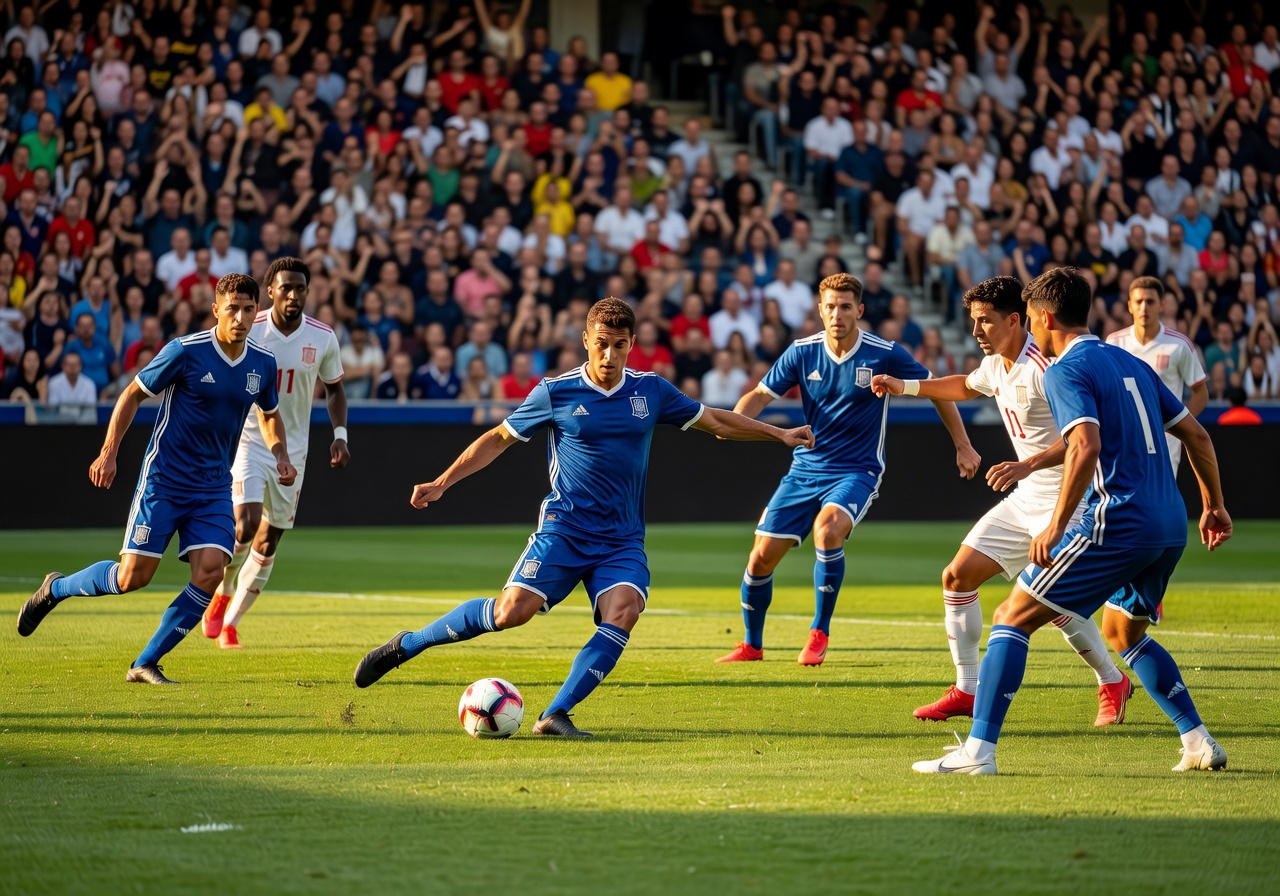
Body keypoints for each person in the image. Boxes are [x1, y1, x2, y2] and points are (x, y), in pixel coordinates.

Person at [353, 298, 813, 737]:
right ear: (585, 339)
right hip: (565, 531)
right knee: (511, 613)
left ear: (631, 343)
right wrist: (442, 482)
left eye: (619, 344)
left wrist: (781, 434)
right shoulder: (556, 391)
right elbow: (497, 438)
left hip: (621, 540)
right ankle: (407, 644)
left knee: (624, 610)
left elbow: (718, 422)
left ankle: (556, 713)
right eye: (601, 342)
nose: (609, 354)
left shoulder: (650, 390)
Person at [913, 268, 1232, 775]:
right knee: (1123, 632)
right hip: (1170, 520)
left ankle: (979, 753)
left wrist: (1057, 526)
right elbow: (1198, 436)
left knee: (1011, 618)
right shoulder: (1130, 362)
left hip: (1118, 518)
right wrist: (1213, 504)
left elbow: (1084, 445)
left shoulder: (1064, 369)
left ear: (1042, 316)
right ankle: (1197, 741)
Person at [871, 277, 1129, 726]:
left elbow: (1087, 440)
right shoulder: (995, 364)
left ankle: (1112, 680)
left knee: (1052, 606)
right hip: (1024, 497)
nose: (976, 331)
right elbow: (965, 387)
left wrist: (1028, 464)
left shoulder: (1048, 368)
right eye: (973, 321)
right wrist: (905, 387)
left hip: (1066, 502)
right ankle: (966, 689)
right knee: (957, 576)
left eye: (985, 321)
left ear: (1015, 320)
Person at [17, 275, 295, 685]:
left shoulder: (262, 363)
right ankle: (57, 588)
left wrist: (280, 454)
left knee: (210, 571)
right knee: (133, 577)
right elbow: (132, 393)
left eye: (248, 309)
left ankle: (145, 662)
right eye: (232, 308)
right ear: (216, 309)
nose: (240, 317)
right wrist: (108, 452)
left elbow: (269, 413)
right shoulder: (185, 351)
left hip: (214, 486)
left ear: (258, 311)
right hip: (164, 481)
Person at [716, 273, 981, 666]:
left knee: (827, 530)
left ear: (858, 310)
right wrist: (736, 422)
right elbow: (758, 395)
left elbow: (937, 389)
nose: (836, 314)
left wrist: (963, 444)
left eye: (844, 307)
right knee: (759, 559)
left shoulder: (884, 352)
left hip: (857, 470)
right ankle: (752, 645)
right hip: (806, 469)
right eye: (829, 307)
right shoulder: (801, 352)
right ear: (819, 311)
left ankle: (819, 632)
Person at [201, 259, 349, 649]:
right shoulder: (252, 330)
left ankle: (231, 622)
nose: (293, 296)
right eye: (286, 288)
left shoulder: (322, 338)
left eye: (300, 289)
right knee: (244, 525)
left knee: (268, 542)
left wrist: (340, 434)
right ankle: (224, 588)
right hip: (249, 440)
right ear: (271, 291)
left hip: (295, 450)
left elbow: (334, 389)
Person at [1107, 277, 1208, 475]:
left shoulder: (1180, 344)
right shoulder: (1114, 343)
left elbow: (1201, 393)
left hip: (1165, 443)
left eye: (1150, 301)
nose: (1144, 307)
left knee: (1161, 504)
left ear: (1161, 305)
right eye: (1138, 302)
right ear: (1130, 306)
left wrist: (1179, 428)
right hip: (1126, 440)